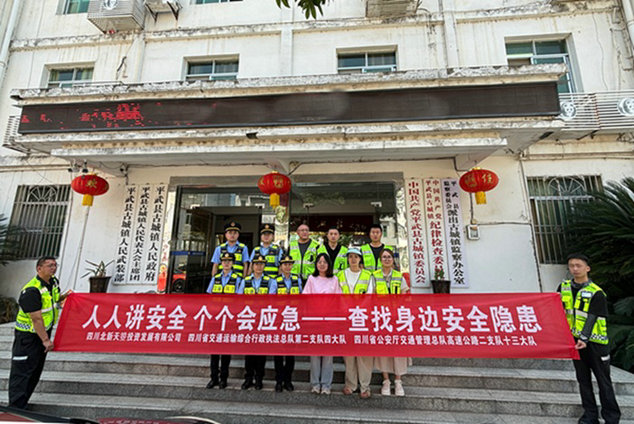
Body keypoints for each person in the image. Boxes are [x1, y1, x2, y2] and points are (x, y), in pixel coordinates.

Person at [558, 253, 620, 424]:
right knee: (583, 381)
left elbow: (593, 316)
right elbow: (557, 310)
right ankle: (590, 416)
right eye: (571, 265)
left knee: (603, 382)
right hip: (575, 342)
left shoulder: (596, 292)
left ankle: (611, 418)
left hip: (596, 343)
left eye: (578, 265)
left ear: (587, 268)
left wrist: (584, 338)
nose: (574, 269)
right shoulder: (563, 288)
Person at [9, 256, 71, 409]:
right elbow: (36, 318)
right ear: (39, 268)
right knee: (22, 372)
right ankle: (15, 408)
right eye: (49, 265)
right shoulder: (32, 290)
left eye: (55, 265)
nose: (53, 268)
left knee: (35, 370)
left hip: (43, 333)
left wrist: (66, 297)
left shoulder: (53, 282)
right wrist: (45, 340)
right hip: (28, 337)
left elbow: (53, 300)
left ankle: (23, 404)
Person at [336, 247, 374, 398]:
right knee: (349, 353)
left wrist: (358, 310)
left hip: (362, 318)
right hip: (346, 317)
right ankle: (350, 384)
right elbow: (338, 295)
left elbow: (370, 295)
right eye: (350, 256)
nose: (353, 259)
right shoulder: (341, 274)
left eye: (356, 257)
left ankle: (365, 386)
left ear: (360, 259)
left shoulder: (367, 275)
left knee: (364, 353)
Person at [303, 253, 342, 395]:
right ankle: (315, 384)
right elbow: (305, 298)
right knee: (314, 354)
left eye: (325, 262)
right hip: (315, 320)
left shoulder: (334, 279)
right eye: (319, 262)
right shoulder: (311, 279)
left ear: (329, 264)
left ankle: (326, 385)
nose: (322, 264)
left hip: (330, 321)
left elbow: (338, 299)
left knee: (328, 355)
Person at [373, 248, 410, 397]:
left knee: (398, 349)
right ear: (380, 260)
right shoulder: (374, 276)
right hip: (381, 318)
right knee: (383, 349)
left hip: (397, 318)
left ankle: (398, 380)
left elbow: (404, 296)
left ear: (393, 260)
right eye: (384, 257)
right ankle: (386, 380)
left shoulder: (399, 276)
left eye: (389, 257)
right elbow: (372, 296)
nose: (387, 259)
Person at [205, 252, 241, 389]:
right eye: (224, 261)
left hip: (229, 318)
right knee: (214, 350)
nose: (226, 263)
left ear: (233, 263)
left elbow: (239, 299)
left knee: (226, 349)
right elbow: (209, 296)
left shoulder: (237, 279)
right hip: (216, 318)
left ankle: (223, 378)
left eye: (229, 261)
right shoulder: (216, 278)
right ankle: (213, 377)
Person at [237, 254, 273, 390]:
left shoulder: (270, 281)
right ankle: (248, 378)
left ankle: (259, 378)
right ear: (252, 266)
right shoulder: (245, 281)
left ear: (264, 266)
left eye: (261, 264)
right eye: (256, 264)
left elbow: (272, 300)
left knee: (261, 352)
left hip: (263, 319)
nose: (259, 266)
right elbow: (239, 299)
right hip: (248, 319)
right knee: (249, 351)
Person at [271, 254, 303, 392]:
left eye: (290, 264)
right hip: (279, 319)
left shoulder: (297, 279)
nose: (287, 266)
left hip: (292, 319)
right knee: (278, 352)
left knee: (290, 352)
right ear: (281, 266)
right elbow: (271, 300)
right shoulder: (275, 281)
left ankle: (288, 380)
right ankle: (279, 380)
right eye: (285, 264)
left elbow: (301, 298)